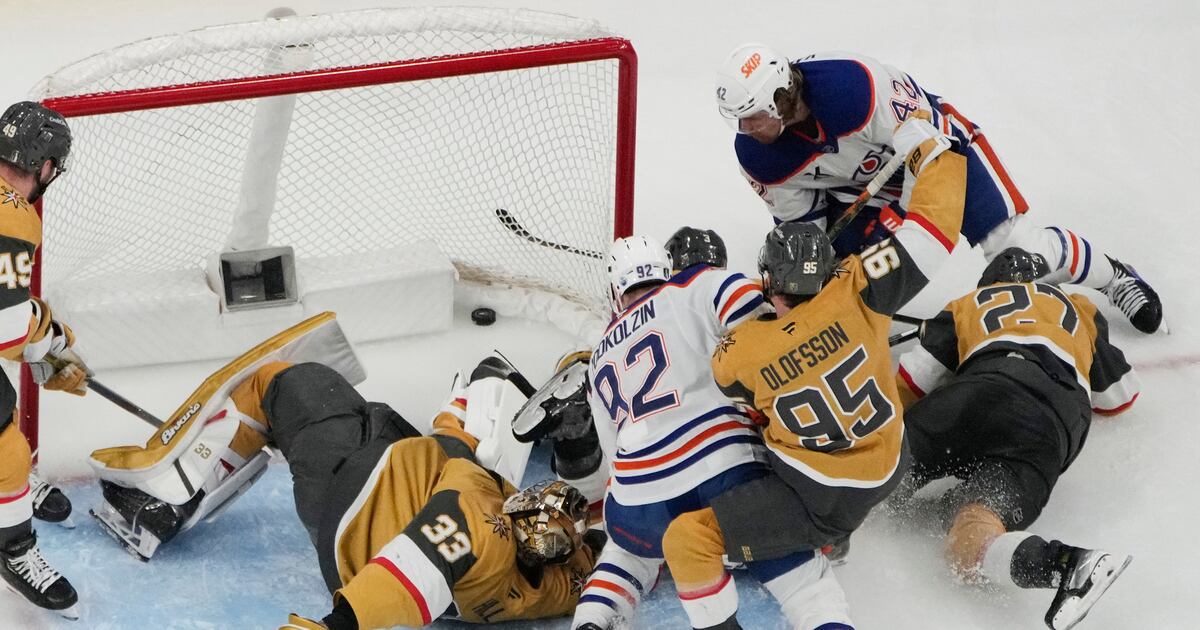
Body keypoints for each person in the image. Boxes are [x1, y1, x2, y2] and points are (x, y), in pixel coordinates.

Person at [659, 110, 966, 629]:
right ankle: (836, 536)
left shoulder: (744, 349)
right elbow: (935, 229)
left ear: (769, 287)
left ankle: (823, 536)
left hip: (819, 497)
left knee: (691, 531)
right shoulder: (859, 285)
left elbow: (728, 377)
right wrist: (938, 153)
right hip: (891, 462)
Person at [714, 44, 1163, 334]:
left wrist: (907, 221)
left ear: (780, 97)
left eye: (753, 115)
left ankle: (1114, 275)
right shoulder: (757, 156)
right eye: (738, 119)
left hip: (937, 153)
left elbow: (925, 148)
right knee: (841, 281)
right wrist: (814, 273)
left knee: (1016, 248)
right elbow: (805, 229)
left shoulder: (856, 85)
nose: (746, 129)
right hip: (858, 191)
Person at [891, 248, 1138, 630]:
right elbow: (1120, 398)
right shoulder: (1080, 309)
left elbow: (907, 386)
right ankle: (1067, 566)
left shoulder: (968, 302)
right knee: (973, 531)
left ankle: (806, 533)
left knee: (881, 472)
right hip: (1048, 422)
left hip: (976, 394)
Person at [568, 234, 772, 630]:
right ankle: (823, 555)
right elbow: (763, 327)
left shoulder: (596, 359)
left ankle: (593, 618)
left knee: (624, 552)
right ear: (668, 271)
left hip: (645, 514)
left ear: (615, 289)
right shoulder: (689, 294)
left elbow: (614, 456)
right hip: (727, 493)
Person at [0, 100, 88, 620]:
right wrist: (49, 334)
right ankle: (14, 552)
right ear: (46, 165)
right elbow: (6, 333)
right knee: (6, 445)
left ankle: (10, 488)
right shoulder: (12, 213)